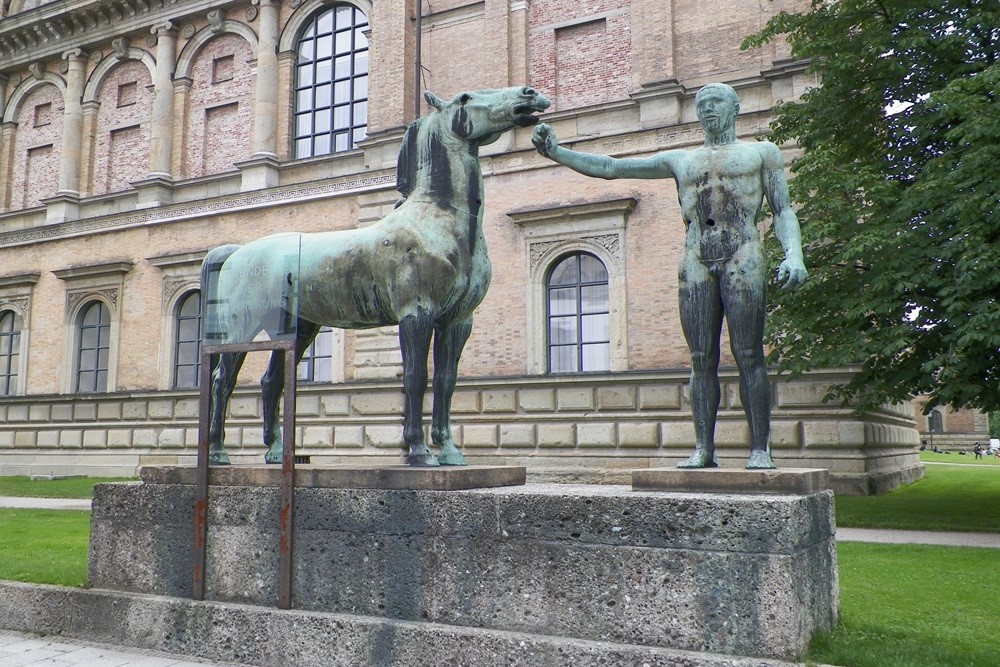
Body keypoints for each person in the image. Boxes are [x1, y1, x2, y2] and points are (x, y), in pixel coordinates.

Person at [532, 83, 807, 469]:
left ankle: (760, 448)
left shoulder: (761, 153)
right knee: (699, 359)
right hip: (695, 258)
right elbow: (613, 168)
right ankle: (703, 448)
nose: (709, 110)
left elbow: (782, 211)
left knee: (749, 355)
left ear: (735, 108)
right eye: (702, 105)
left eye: (717, 103)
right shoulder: (682, 160)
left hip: (743, 255)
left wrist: (794, 253)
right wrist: (558, 153)